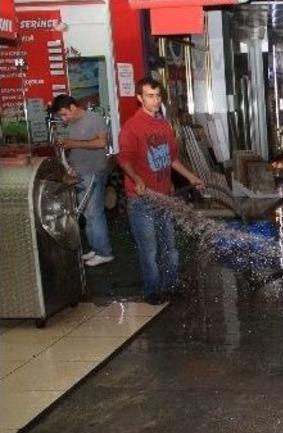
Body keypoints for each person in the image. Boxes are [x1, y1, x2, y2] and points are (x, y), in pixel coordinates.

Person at [116, 77, 204, 305]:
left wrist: (191, 177)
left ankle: (171, 286)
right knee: (149, 250)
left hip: (164, 198)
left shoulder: (164, 125)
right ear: (139, 98)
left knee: (170, 249)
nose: (155, 101)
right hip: (142, 200)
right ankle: (152, 291)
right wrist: (136, 179)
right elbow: (124, 160)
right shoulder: (132, 127)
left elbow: (172, 158)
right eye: (149, 96)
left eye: (157, 96)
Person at [50, 94, 114, 267]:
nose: (64, 118)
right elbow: (75, 147)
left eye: (64, 114)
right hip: (80, 172)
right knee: (86, 213)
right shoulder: (73, 124)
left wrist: (73, 143)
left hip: (93, 171)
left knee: (94, 213)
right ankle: (96, 247)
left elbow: (101, 143)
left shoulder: (94, 118)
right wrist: (69, 163)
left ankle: (104, 253)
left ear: (72, 107)